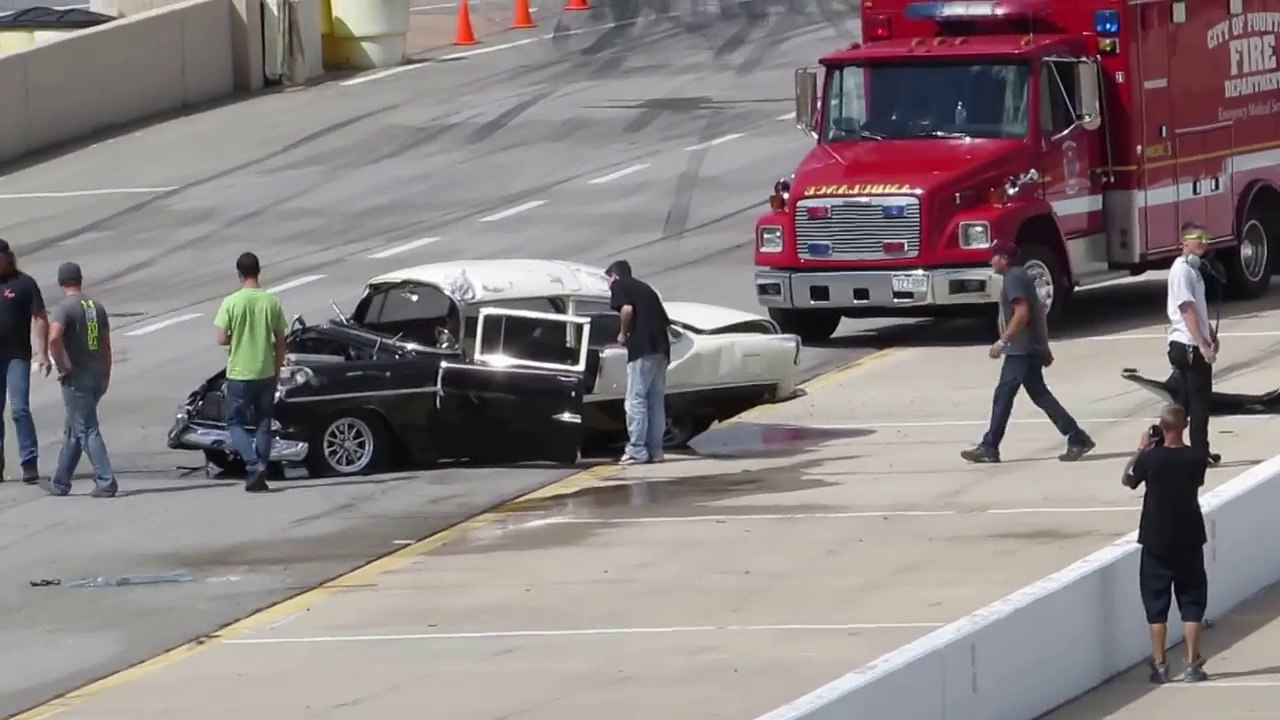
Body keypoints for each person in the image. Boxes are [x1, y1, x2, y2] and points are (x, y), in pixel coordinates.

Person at [961, 241, 1095, 463]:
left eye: (993, 256)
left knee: (1004, 396)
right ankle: (1076, 437)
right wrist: (1043, 345)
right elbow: (1039, 312)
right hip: (1027, 348)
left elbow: (1022, 313)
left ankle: (990, 446)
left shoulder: (1014, 278)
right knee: (1039, 396)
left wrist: (1003, 341)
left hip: (1020, 351)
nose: (990, 261)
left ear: (1004, 258)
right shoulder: (1019, 276)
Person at [1122, 403, 1210, 684]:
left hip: (1156, 539)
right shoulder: (1197, 456)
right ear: (1184, 426)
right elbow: (1196, 484)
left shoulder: (1151, 459)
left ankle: (1160, 664)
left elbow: (1128, 480)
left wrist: (1141, 450)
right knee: (1192, 601)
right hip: (1189, 536)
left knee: (1156, 604)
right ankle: (1193, 663)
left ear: (1162, 427)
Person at [213, 252, 288, 493]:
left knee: (234, 422)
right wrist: (277, 370)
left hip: (239, 372)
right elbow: (280, 340)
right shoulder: (271, 302)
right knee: (263, 423)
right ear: (259, 271)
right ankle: (262, 470)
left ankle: (254, 465)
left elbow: (222, 338)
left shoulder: (231, 302)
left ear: (239, 274)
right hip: (265, 370)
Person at [41, 262, 117, 497]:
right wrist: (106, 372)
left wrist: (62, 366)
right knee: (74, 428)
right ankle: (61, 481)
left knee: (86, 429)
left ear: (61, 283)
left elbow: (53, 338)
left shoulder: (64, 308)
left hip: (78, 376)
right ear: (80, 280)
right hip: (97, 372)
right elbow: (106, 344)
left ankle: (106, 480)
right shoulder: (96, 307)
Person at [606, 259, 671, 465]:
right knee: (655, 401)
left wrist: (623, 334)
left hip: (642, 349)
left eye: (608, 280)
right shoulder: (646, 289)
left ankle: (636, 450)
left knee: (635, 400)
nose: (609, 285)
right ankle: (656, 450)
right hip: (661, 349)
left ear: (614, 276)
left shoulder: (620, 285)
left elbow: (626, 310)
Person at [1166, 222, 1221, 466]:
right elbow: (1186, 308)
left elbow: (1197, 308)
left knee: (1185, 403)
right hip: (1187, 345)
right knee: (1199, 402)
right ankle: (1198, 453)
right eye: (1197, 237)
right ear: (1183, 242)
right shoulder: (1182, 271)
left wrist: (1210, 333)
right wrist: (1202, 344)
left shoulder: (1194, 270)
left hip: (1190, 342)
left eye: (1205, 237)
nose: (1203, 242)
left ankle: (1177, 448)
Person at [0, 238, 50, 484]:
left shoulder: (24, 284)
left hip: (16, 356)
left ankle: (29, 461)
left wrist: (43, 353)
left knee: (19, 409)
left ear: (7, 258)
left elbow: (40, 317)